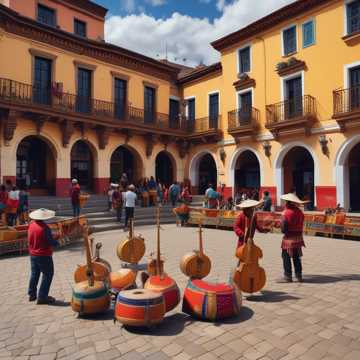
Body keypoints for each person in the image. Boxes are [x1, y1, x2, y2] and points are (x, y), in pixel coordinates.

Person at [27, 208, 59, 304]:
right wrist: (57, 241)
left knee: (34, 273)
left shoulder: (31, 225)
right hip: (43, 254)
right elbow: (51, 242)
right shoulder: (44, 228)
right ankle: (42, 296)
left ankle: (32, 294)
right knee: (48, 274)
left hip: (33, 254)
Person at [279, 193, 307, 283]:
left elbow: (283, 229)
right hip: (298, 237)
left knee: (286, 256)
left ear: (287, 203)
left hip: (289, 238)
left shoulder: (286, 213)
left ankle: (288, 276)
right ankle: (299, 275)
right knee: (296, 257)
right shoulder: (300, 212)